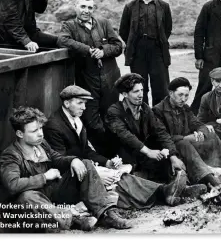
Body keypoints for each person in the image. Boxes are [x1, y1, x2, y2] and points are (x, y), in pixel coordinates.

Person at [44, 85, 192, 208]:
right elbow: (60, 161)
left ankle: (167, 192)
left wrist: (106, 162)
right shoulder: (55, 126)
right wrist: (93, 173)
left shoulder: (76, 119)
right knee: (118, 181)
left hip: (84, 168)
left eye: (85, 103)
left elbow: (86, 151)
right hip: (69, 178)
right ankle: (164, 192)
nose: (84, 107)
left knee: (120, 174)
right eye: (80, 103)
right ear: (67, 103)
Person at [0, 106, 132, 232]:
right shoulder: (11, 154)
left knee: (84, 163)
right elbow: (12, 184)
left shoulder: (41, 144)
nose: (40, 134)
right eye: (34, 131)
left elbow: (57, 158)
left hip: (52, 192)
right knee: (26, 197)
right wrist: (45, 177)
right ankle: (74, 220)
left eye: (40, 128)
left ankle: (106, 214)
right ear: (19, 133)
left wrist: (73, 160)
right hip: (35, 202)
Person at [104, 73, 207, 197]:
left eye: (142, 90)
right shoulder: (114, 111)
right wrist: (148, 151)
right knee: (136, 179)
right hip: (124, 156)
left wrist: (173, 156)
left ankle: (187, 185)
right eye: (136, 91)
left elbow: (160, 131)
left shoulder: (145, 108)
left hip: (142, 155)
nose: (141, 94)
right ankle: (174, 191)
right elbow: (126, 136)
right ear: (125, 94)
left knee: (171, 155)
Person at [153, 77, 221, 186]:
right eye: (180, 95)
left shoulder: (184, 107)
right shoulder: (158, 110)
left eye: (186, 95)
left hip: (185, 145)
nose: (184, 99)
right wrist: (186, 138)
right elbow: (162, 137)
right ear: (171, 93)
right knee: (184, 143)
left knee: (210, 133)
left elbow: (197, 123)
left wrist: (201, 131)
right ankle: (209, 179)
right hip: (169, 151)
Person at [57, 0, 122, 151]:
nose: (86, 10)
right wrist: (87, 49)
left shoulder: (104, 23)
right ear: (76, 7)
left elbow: (118, 46)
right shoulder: (69, 25)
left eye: (90, 7)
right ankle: (102, 154)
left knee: (112, 117)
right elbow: (62, 40)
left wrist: (103, 51)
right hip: (87, 81)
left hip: (110, 80)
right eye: (83, 7)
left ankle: (116, 154)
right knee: (91, 121)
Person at [118, 0, 172, 106]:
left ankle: (159, 117)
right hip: (137, 52)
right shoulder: (130, 7)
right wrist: (134, 43)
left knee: (160, 86)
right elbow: (123, 31)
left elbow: (167, 29)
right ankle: (142, 117)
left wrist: (157, 42)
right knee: (139, 87)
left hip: (158, 51)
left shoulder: (164, 6)